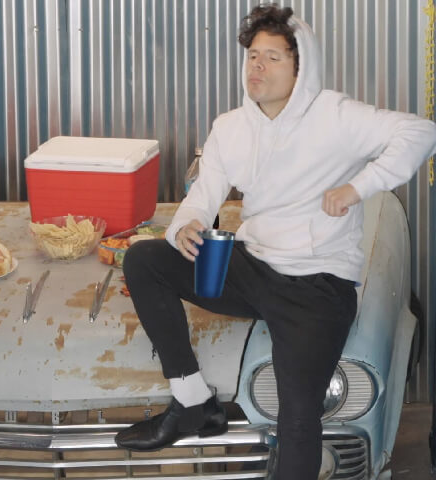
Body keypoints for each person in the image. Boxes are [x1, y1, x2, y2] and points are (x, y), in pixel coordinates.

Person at [115, 4, 436, 479]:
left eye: (273, 57)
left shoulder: (335, 116)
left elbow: (421, 131)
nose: (257, 68)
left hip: (317, 285)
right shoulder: (232, 127)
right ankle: (192, 402)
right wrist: (187, 223)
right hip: (254, 266)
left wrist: (358, 187)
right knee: (144, 260)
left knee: (298, 420)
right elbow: (205, 192)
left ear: (301, 66)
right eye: (252, 57)